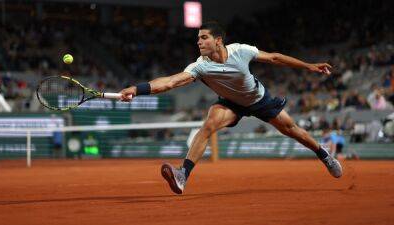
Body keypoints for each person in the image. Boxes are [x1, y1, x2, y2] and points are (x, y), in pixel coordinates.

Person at [119, 21, 343, 195]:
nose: (199, 42)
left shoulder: (241, 51)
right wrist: (137, 90)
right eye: (198, 38)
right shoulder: (200, 66)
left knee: (292, 129)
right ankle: (182, 175)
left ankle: (325, 156)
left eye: (204, 37)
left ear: (218, 41)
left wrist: (309, 66)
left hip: (259, 99)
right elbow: (170, 82)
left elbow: (275, 57)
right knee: (208, 125)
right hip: (231, 103)